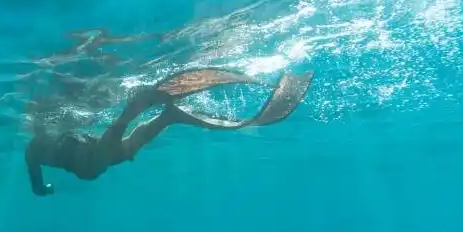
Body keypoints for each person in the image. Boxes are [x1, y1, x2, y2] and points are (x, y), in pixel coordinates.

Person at [24, 68, 314, 196]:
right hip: (82, 152)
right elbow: (38, 186)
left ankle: (136, 110)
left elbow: (38, 185)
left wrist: (46, 189)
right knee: (120, 153)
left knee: (104, 159)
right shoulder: (39, 151)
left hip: (81, 150)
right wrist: (45, 189)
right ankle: (167, 116)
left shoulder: (37, 150)